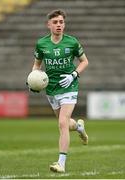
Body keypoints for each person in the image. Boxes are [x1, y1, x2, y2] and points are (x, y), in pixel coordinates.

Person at [31, 9, 89, 173]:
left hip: (69, 86)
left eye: (61, 22)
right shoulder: (42, 44)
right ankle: (79, 127)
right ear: (48, 25)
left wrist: (74, 75)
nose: (58, 25)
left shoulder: (72, 42)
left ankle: (61, 163)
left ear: (64, 24)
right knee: (66, 123)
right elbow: (37, 65)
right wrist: (33, 80)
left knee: (62, 123)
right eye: (55, 22)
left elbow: (84, 61)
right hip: (51, 88)